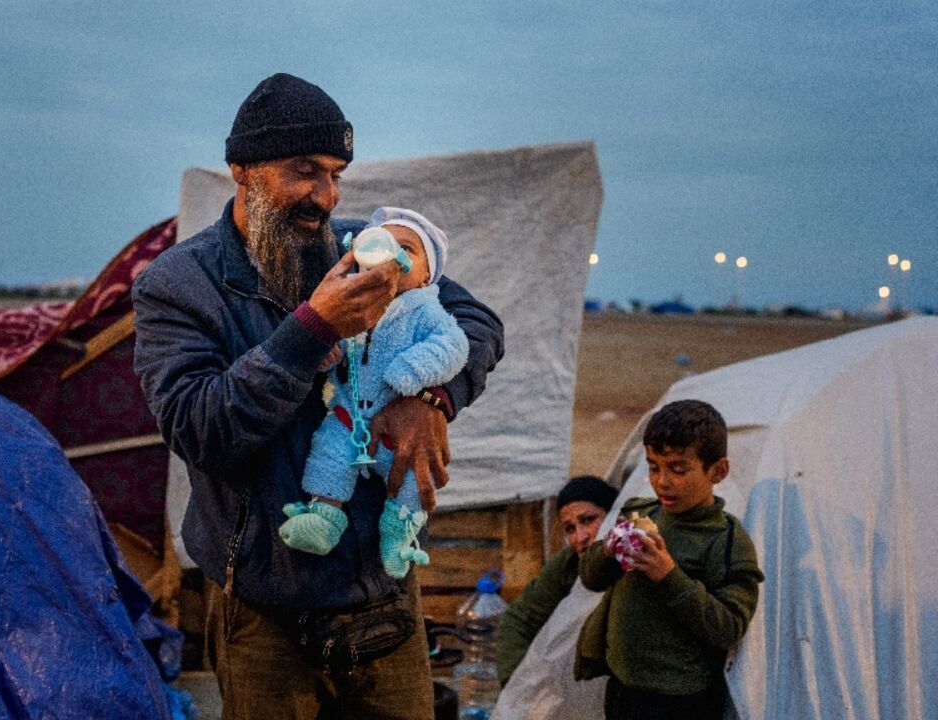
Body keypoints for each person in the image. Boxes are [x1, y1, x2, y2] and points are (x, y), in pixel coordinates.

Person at [131, 72, 504, 718]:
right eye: (304, 171)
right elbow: (201, 430)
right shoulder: (178, 285)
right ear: (241, 171)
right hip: (262, 618)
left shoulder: (371, 251)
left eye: (335, 174)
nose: (325, 197)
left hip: (383, 603)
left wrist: (429, 399)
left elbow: (477, 325)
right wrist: (314, 329)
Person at [279, 206, 469, 580]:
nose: (390, 254)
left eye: (407, 249)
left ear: (427, 275)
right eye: (383, 244)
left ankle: (399, 531)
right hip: (348, 415)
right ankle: (323, 515)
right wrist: (325, 353)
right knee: (328, 454)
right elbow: (336, 344)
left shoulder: (425, 311)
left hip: (398, 426)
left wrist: (412, 373)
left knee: (413, 476)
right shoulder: (353, 304)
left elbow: (454, 345)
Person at [574, 399, 764, 720]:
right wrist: (609, 548)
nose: (662, 481)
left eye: (678, 469)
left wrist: (668, 575)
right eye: (653, 466)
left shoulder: (726, 539)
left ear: (718, 471)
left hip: (680, 700)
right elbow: (592, 579)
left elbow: (730, 627)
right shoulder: (640, 513)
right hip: (622, 686)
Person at [494, 474, 617, 685]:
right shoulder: (569, 564)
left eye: (588, 520)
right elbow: (520, 620)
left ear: (613, 517)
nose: (581, 537)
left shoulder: (636, 555)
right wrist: (515, 685)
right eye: (570, 528)